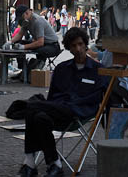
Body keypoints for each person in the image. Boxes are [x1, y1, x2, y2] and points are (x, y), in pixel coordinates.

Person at [16, 27, 108, 177]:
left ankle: (29, 163)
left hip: (80, 111)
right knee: (39, 117)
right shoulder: (61, 69)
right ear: (69, 49)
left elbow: (103, 99)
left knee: (32, 106)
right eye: (73, 46)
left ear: (85, 44)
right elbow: (52, 98)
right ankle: (54, 164)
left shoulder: (99, 70)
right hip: (58, 109)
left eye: (80, 44)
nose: (78, 49)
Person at [3, 5, 61, 76]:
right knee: (19, 42)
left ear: (26, 13)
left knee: (39, 50)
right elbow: (20, 34)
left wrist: (24, 47)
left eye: (21, 17)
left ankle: (36, 69)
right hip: (41, 43)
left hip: (52, 46)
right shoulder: (26, 21)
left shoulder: (37, 21)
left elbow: (40, 42)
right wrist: (10, 42)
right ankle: (22, 68)